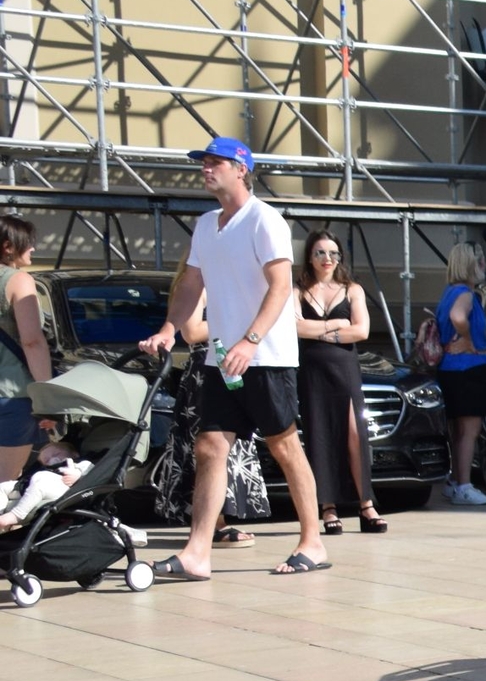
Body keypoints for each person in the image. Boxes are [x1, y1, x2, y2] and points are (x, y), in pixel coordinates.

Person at [137, 137, 328, 578]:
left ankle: (312, 543)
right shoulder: (206, 225)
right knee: (209, 446)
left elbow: (281, 286)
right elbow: (190, 286)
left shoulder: (265, 221)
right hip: (223, 360)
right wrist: (169, 330)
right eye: (202, 163)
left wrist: (251, 340)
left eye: (215, 162)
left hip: (266, 357)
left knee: (283, 446)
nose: (205, 169)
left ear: (241, 168)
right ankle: (197, 553)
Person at [151, 290, 267, 538]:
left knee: (231, 445)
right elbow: (191, 332)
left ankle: (219, 519)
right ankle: (214, 523)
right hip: (206, 370)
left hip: (232, 366)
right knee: (210, 445)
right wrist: (238, 319)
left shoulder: (225, 282)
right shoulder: (197, 285)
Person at [291, 229, 384, 535]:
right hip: (312, 370)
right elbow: (294, 327)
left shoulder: (352, 289)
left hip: (344, 368)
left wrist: (317, 330)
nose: (327, 259)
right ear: (310, 256)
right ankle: (327, 506)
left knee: (355, 433)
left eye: (333, 253)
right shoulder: (298, 290)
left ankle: (366, 504)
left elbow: (361, 331)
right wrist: (335, 326)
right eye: (320, 252)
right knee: (320, 434)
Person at [431, 242, 486, 505]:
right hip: (469, 367)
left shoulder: (448, 292)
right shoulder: (467, 295)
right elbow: (459, 317)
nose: (484, 265)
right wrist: (467, 338)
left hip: (449, 368)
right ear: (472, 264)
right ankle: (465, 485)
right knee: (470, 430)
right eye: (480, 260)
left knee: (457, 431)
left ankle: (456, 481)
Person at [0, 212, 53, 484]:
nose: (33, 248)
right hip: (12, 394)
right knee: (4, 484)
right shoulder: (18, 281)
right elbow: (32, 341)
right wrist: (48, 396)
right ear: (8, 246)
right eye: (28, 242)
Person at [0, 434, 88, 530]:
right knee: (3, 487)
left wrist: (78, 474)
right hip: (32, 489)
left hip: (65, 489)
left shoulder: (79, 463)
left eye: (56, 454)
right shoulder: (48, 471)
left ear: (75, 454)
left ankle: (16, 515)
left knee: (41, 476)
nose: (52, 459)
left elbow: (91, 469)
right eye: (47, 461)